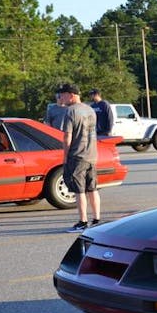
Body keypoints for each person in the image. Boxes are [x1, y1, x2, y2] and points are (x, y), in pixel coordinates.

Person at [59, 83, 101, 233]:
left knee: (79, 190)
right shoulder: (90, 109)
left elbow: (67, 136)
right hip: (92, 154)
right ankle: (96, 219)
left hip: (78, 155)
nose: (60, 97)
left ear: (71, 95)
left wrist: (65, 156)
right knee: (92, 188)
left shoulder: (71, 111)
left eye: (63, 94)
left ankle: (82, 221)